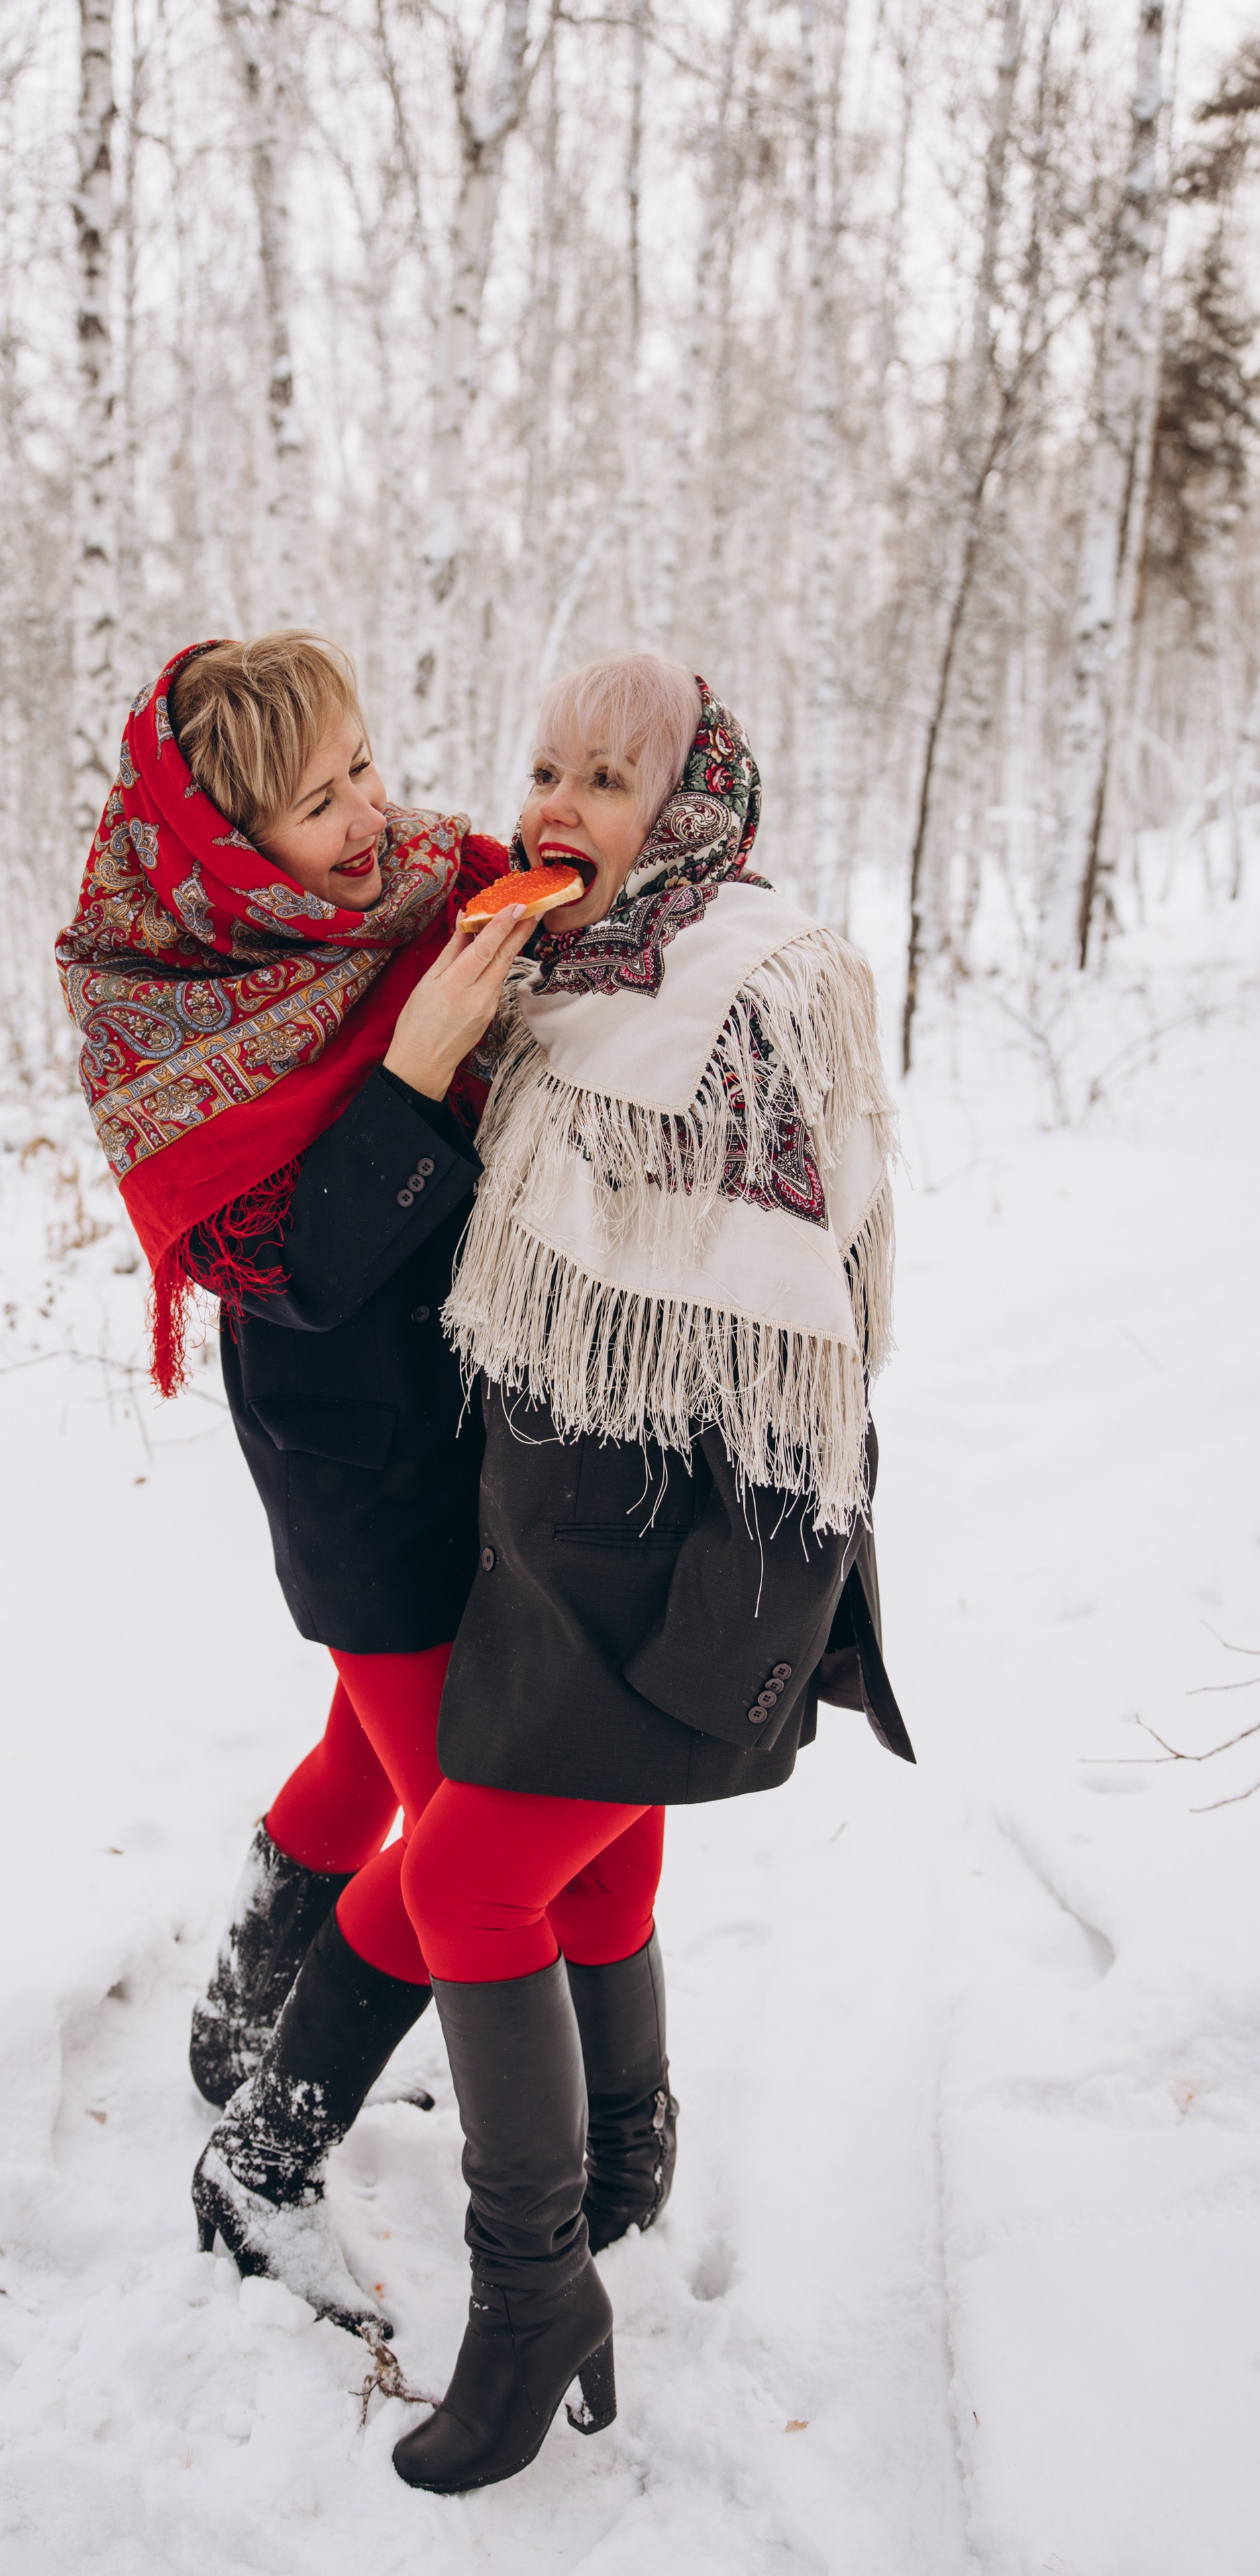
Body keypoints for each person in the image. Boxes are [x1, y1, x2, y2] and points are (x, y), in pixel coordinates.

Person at [56, 635, 676, 2337]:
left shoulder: (424, 889)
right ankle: (264, 2153)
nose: (369, 815)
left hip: (500, 1417)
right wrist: (415, 1062)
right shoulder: (161, 987)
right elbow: (290, 1271)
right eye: (316, 803)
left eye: (362, 768)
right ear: (224, 841)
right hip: (359, 1456)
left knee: (368, 1749)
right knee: (486, 1829)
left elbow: (620, 913)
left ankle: (238, 2006)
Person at [382, 653, 915, 2494]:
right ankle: (626, 2144)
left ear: (694, 803)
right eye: (543, 765)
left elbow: (789, 1331)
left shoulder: (751, 991)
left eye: (608, 776)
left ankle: (531, 2298)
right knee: (597, 1855)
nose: (558, 804)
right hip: (556, 1532)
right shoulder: (567, 980)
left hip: (696, 1541)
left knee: (465, 1883)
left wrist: (747, 1616)